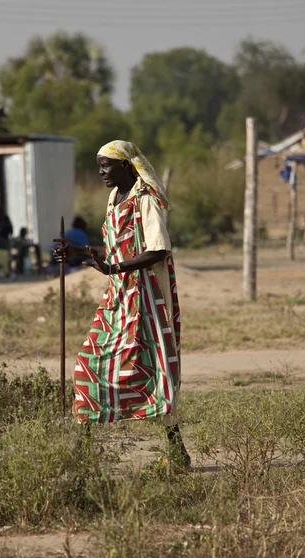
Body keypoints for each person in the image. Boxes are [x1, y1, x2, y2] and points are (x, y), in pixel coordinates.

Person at [54, 140, 190, 467]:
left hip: (146, 297)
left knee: (155, 370)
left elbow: (158, 250)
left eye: (106, 166)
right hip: (118, 296)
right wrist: (81, 252)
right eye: (99, 166)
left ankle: (177, 450)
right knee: (87, 364)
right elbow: (114, 249)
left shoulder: (146, 201)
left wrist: (115, 268)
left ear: (127, 166)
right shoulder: (115, 199)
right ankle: (83, 449)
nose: (101, 172)